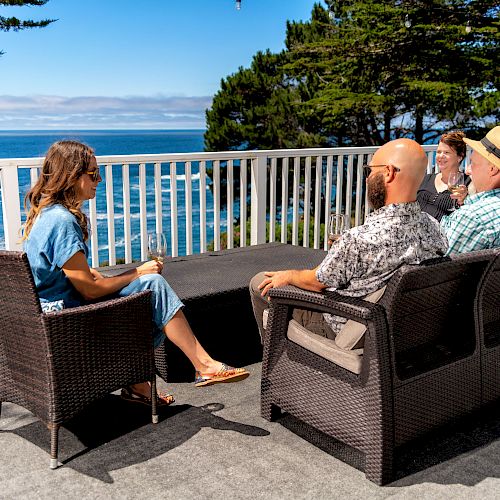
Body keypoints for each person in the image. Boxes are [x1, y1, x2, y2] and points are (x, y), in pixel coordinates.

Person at [22, 140, 249, 407]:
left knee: (147, 288)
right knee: (152, 286)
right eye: (93, 174)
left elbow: (74, 277)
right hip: (67, 322)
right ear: (71, 176)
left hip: (48, 314)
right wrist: (136, 272)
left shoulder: (46, 214)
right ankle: (203, 365)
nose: (100, 180)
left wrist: (108, 277)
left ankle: (138, 384)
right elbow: (89, 290)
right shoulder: (62, 222)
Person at [250, 138, 448, 342]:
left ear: (388, 172)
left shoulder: (359, 240)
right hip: (406, 330)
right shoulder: (434, 227)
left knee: (259, 283)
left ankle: (277, 363)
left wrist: (290, 275)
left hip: (353, 331)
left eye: (370, 170)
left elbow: (317, 282)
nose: (367, 178)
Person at [440, 126, 500, 255]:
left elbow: (439, 268)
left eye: (473, 164)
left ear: (493, 169)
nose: (467, 170)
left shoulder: (473, 217)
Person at [417, 131, 470, 221]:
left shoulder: (468, 184)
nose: (441, 156)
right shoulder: (426, 179)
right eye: (438, 152)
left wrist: (464, 201)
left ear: (460, 157)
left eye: (446, 152)